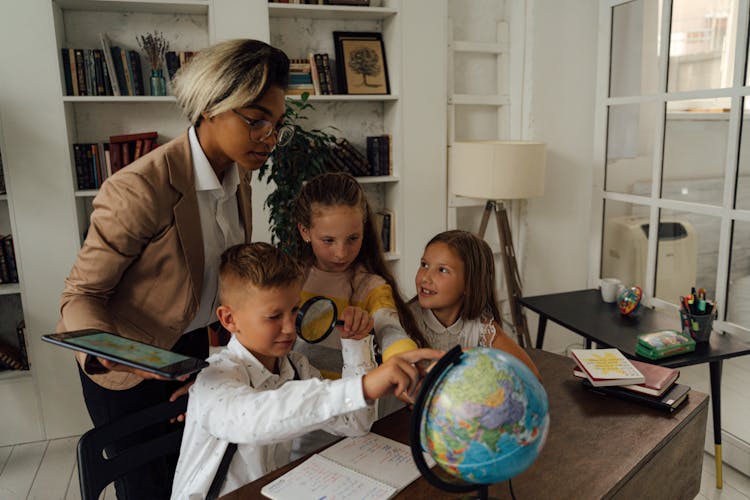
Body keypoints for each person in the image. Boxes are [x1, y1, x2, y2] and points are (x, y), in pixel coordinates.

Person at [58, 39, 293, 498]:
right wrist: (110, 351)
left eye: (277, 124)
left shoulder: (239, 175)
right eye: (257, 120)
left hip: (191, 353)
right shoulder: (141, 188)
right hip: (129, 365)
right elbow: (80, 296)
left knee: (196, 481)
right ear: (210, 106)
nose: (270, 137)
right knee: (147, 489)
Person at [171, 243, 443, 499]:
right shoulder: (212, 379)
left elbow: (356, 424)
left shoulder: (295, 366)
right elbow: (259, 418)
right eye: (274, 316)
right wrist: (365, 385)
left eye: (294, 310)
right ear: (229, 319)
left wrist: (355, 343)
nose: (290, 328)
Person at [293, 172, 427, 365]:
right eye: (328, 240)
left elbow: (390, 330)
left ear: (364, 229)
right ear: (305, 231)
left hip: (351, 392)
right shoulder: (290, 280)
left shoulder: (371, 287)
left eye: (352, 238)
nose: (341, 253)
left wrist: (403, 357)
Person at [411, 230, 540, 379]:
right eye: (424, 265)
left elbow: (531, 375)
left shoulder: (481, 327)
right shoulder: (405, 320)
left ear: (469, 284)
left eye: (442, 270)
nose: (425, 278)